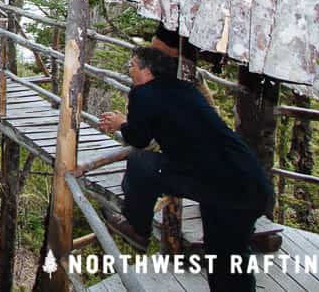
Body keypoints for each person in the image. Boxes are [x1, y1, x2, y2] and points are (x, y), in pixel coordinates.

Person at [98, 44, 274, 291]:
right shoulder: (184, 89)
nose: (129, 70)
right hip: (247, 183)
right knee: (226, 257)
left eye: (132, 65)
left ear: (147, 71)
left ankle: (137, 227)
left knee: (140, 162)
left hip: (223, 185)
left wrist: (121, 124)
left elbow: (138, 140)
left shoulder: (143, 93)